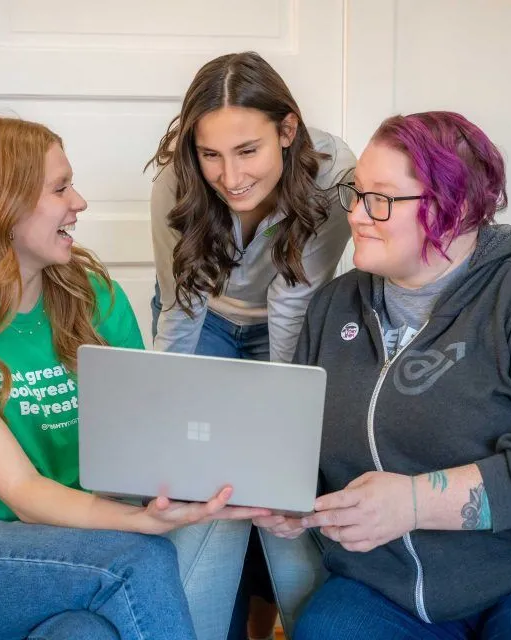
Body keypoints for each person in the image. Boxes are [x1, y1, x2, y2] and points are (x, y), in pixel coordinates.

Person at [0, 115, 267, 640]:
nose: (80, 202)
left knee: (87, 633)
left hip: (58, 549)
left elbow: (148, 425)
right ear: (2, 206)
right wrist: (141, 524)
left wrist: (188, 483)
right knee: (139, 560)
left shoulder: (93, 298)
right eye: (60, 188)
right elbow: (21, 491)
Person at [257, 110, 511, 639]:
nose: (356, 215)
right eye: (355, 194)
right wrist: (286, 495)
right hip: (381, 585)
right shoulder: (334, 305)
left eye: (380, 199)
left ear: (460, 208)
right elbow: (301, 441)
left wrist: (414, 502)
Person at [147, 51, 355, 640]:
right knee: (202, 484)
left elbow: (292, 306)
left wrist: (281, 430)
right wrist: (165, 418)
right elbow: (181, 307)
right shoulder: (176, 182)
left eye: (248, 151)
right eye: (211, 154)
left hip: (286, 326)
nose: (230, 177)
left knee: (277, 484)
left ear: (287, 131)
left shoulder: (336, 175)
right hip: (204, 317)